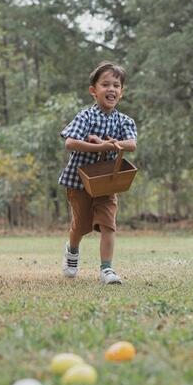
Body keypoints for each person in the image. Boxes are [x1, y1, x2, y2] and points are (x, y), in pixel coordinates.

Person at [58, 61, 137, 285]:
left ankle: (106, 269)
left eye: (116, 85)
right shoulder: (85, 117)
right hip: (79, 181)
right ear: (94, 91)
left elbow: (131, 144)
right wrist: (99, 147)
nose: (111, 89)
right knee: (81, 225)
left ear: (121, 92)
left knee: (108, 224)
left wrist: (106, 143)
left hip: (107, 182)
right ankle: (72, 250)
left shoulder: (124, 121)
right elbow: (71, 142)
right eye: (105, 84)